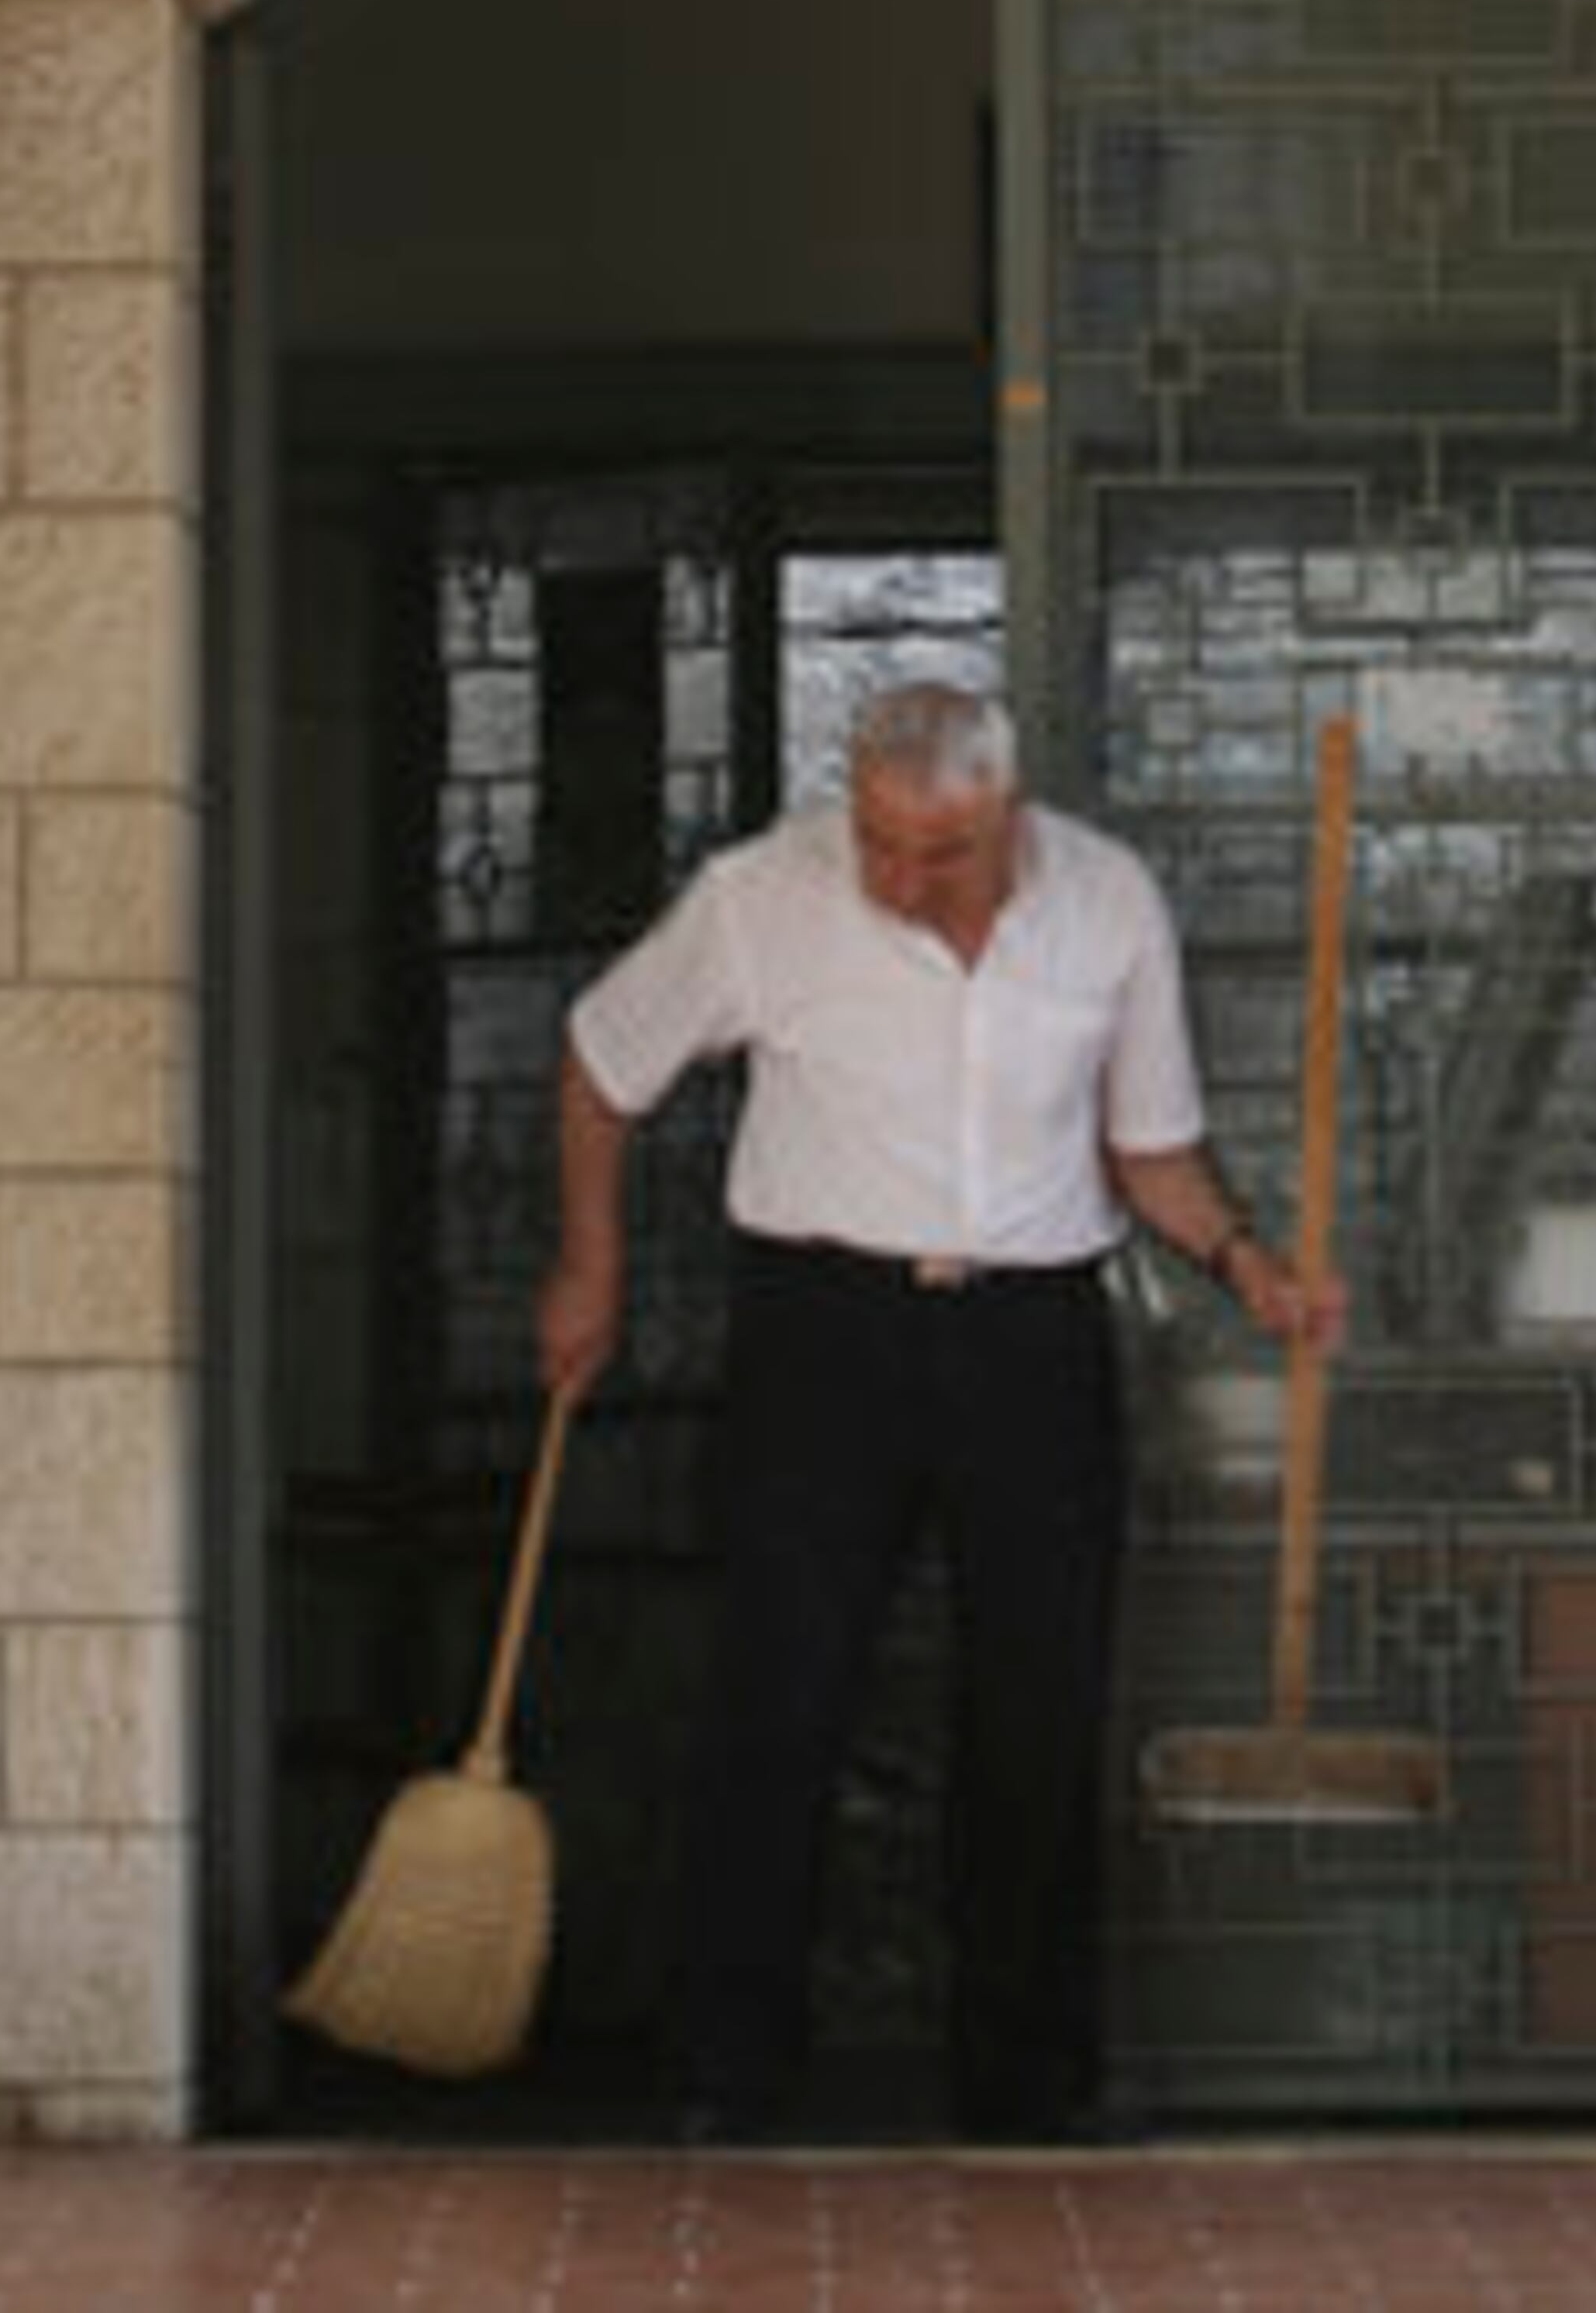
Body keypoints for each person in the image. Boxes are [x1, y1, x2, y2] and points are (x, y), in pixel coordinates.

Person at [536, 676, 1336, 2145]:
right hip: (820, 1327)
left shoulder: (1109, 905)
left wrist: (1245, 1261)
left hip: (1032, 1338)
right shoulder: (760, 894)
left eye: (939, 855)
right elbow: (600, 1063)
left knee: (1040, 1704)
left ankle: (1027, 2080)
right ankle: (729, 2065)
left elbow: (1150, 1150)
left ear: (1007, 816)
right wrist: (587, 1267)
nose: (901, 880)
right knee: (782, 1690)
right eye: (881, 845)